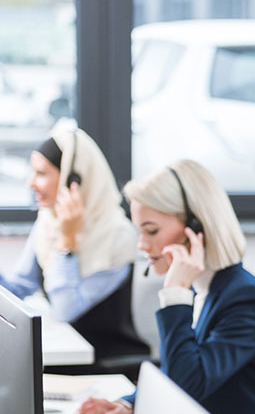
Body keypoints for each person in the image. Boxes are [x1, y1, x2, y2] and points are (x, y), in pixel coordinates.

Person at [68, 159, 255, 414]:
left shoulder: (244, 299)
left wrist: (175, 294)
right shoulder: (206, 289)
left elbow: (187, 386)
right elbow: (180, 368)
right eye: (139, 231)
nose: (142, 245)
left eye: (151, 230)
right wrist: (128, 404)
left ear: (197, 228)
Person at [0, 123, 148, 363]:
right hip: (68, 355)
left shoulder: (117, 236)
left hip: (103, 363)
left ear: (73, 180)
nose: (30, 183)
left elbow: (64, 310)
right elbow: (18, 287)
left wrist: (67, 241)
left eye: (41, 173)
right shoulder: (48, 222)